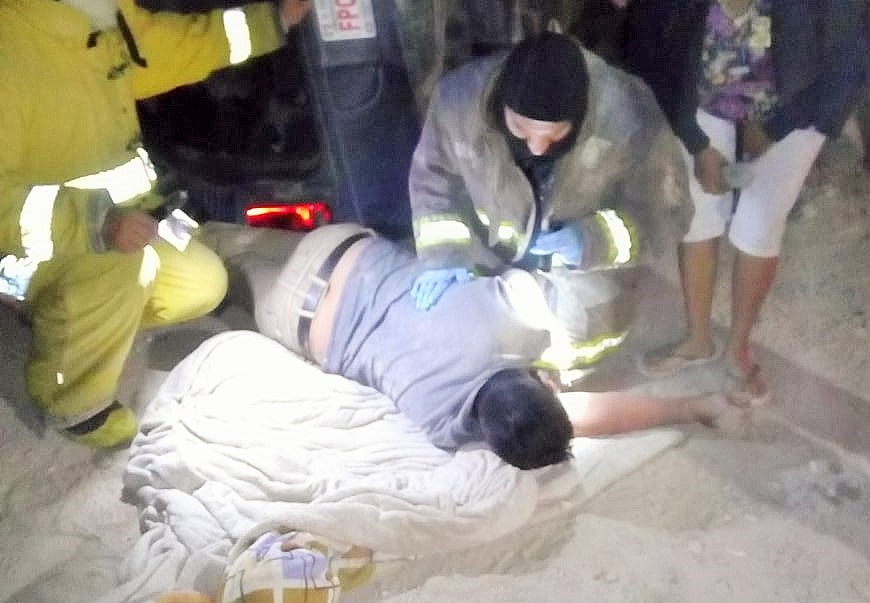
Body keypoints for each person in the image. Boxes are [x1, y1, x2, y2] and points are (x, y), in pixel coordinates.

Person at [0, 0, 312, 448]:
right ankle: (70, 399)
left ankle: (76, 316)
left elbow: (173, 48)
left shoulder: (99, 17)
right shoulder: (11, 48)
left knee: (202, 283)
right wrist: (97, 224)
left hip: (105, 229)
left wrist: (273, 20)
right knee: (119, 264)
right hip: (23, 253)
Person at [203, 222, 740, 471]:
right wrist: (689, 409)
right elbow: (581, 415)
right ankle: (216, 253)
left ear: (539, 381)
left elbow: (566, 408)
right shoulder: (443, 426)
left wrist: (693, 406)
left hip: (340, 248)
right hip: (295, 317)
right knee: (228, 276)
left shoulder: (515, 322)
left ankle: (209, 233)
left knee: (227, 236)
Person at [624, 0, 868, 405]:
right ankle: (698, 340)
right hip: (703, 101)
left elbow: (849, 61)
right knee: (698, 217)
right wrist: (695, 141)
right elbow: (651, 54)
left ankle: (738, 352)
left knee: (759, 226)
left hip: (796, 106)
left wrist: (776, 128)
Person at [405, 30, 692, 368]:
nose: (538, 147)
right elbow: (434, 182)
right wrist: (446, 256)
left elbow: (666, 211)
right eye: (521, 129)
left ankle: (565, 373)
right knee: (471, 331)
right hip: (490, 257)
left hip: (582, 276)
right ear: (502, 105)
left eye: (556, 133)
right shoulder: (458, 104)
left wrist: (591, 240)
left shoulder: (629, 116)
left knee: (580, 337)